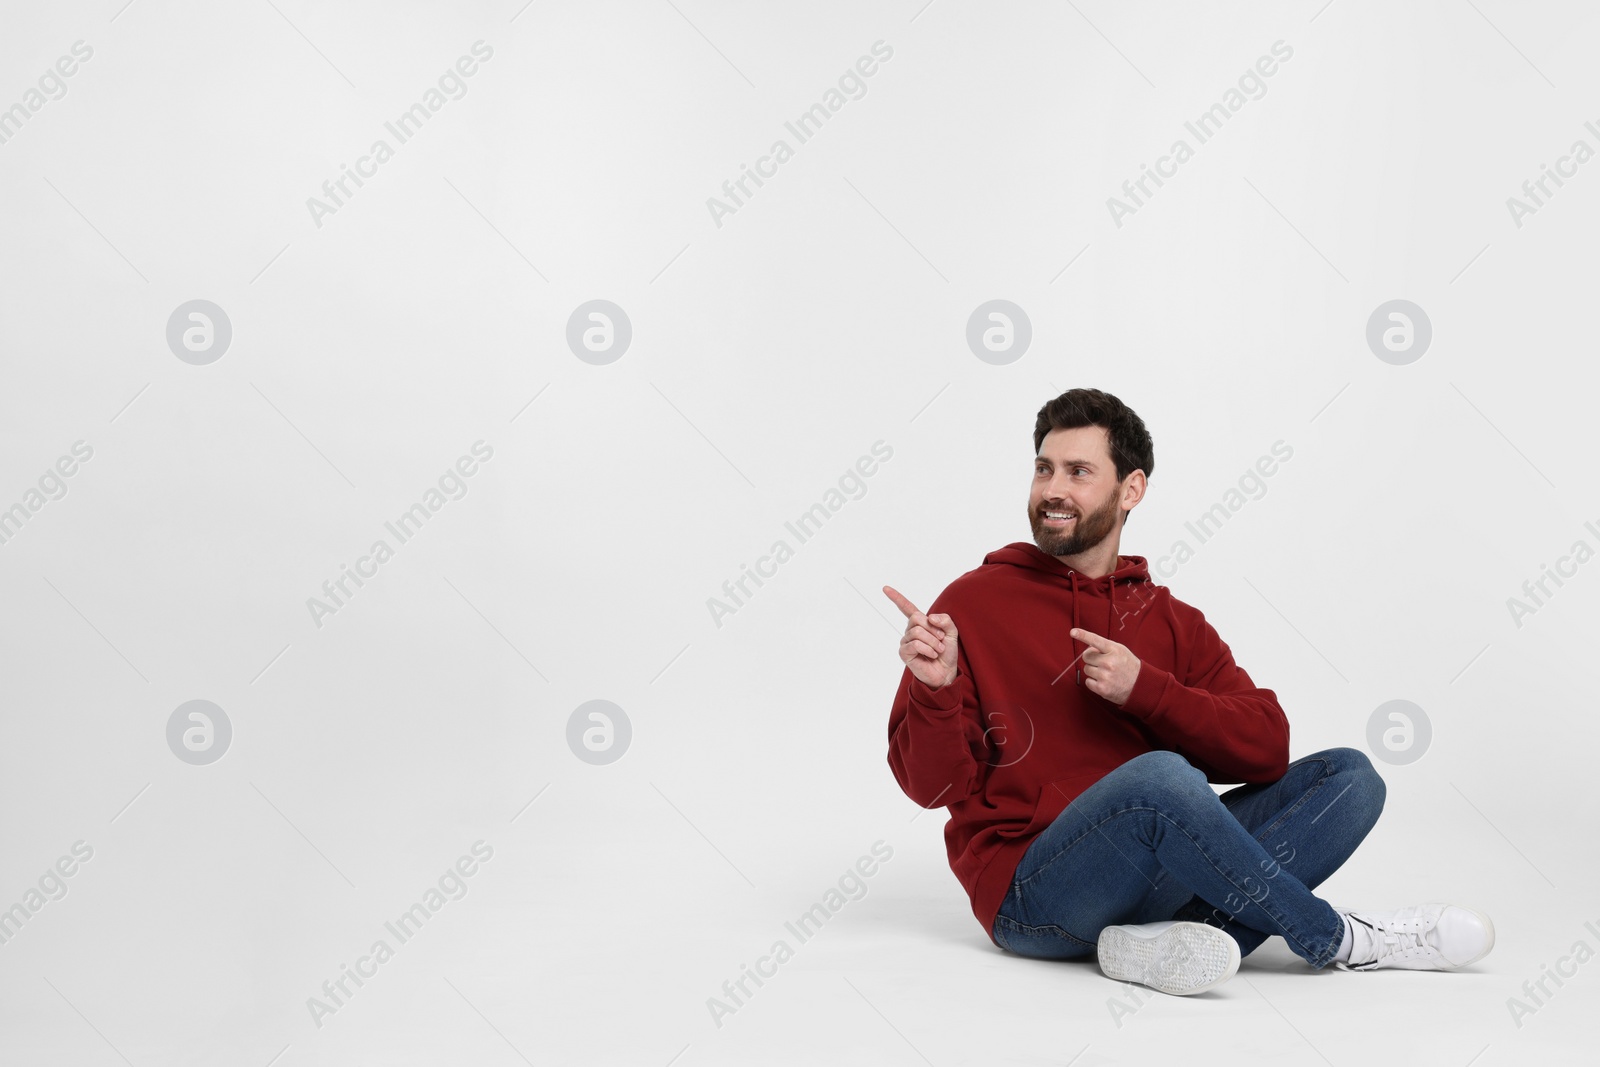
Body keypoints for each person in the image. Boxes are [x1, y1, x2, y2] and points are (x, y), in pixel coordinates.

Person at [883, 387, 1493, 995]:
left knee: (1351, 779)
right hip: (1033, 894)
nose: (1052, 490)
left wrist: (1146, 690)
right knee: (1162, 779)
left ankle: (1176, 941)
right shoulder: (972, 603)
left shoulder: (1170, 619)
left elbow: (1266, 749)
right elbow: (934, 789)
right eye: (1044, 468)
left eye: (1078, 471)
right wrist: (933, 692)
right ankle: (1341, 938)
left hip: (1158, 877)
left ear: (1132, 490)